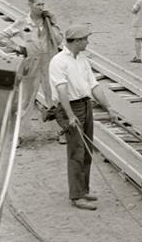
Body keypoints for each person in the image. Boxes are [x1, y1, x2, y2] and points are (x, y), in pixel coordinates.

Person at [48, 24, 116, 210]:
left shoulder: (83, 61)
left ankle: (83, 189)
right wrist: (70, 115)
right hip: (70, 107)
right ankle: (76, 196)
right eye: (85, 39)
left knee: (87, 150)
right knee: (76, 152)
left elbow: (94, 86)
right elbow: (61, 90)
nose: (88, 42)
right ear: (76, 41)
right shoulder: (59, 61)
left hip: (85, 105)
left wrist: (108, 107)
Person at [2, 0, 62, 116]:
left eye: (42, 4)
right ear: (30, 5)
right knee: (26, 99)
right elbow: (2, 36)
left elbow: (58, 41)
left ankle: (59, 128)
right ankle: (18, 130)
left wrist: (53, 23)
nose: (41, 8)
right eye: (38, 5)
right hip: (32, 62)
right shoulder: (23, 22)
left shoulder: (47, 22)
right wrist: (18, 48)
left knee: (55, 98)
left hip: (49, 62)